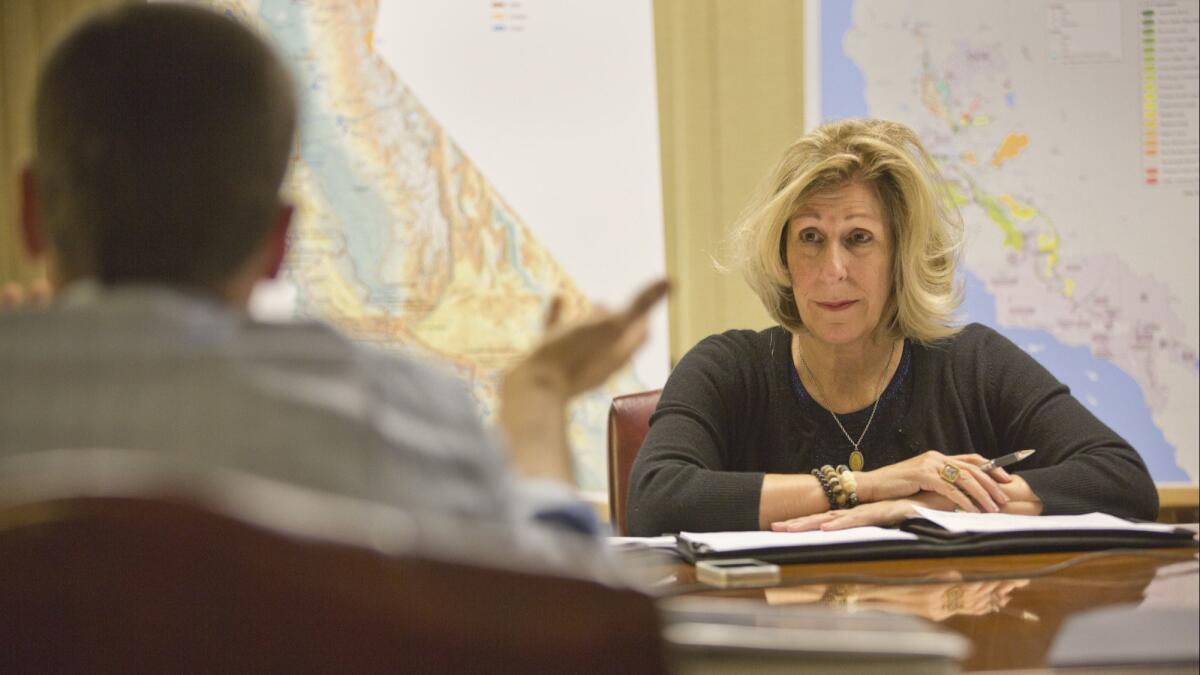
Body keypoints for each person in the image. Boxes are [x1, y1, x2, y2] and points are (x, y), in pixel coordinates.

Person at [0, 4, 667, 565]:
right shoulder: (395, 414)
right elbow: (562, 611)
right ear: (277, 240)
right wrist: (538, 395)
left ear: (30, 213)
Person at [626, 118, 1157, 536]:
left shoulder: (970, 363)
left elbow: (1122, 481)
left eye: (859, 238)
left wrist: (926, 506)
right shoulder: (728, 369)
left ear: (899, 257)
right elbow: (656, 499)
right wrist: (871, 486)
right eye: (810, 237)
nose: (833, 269)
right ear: (783, 254)